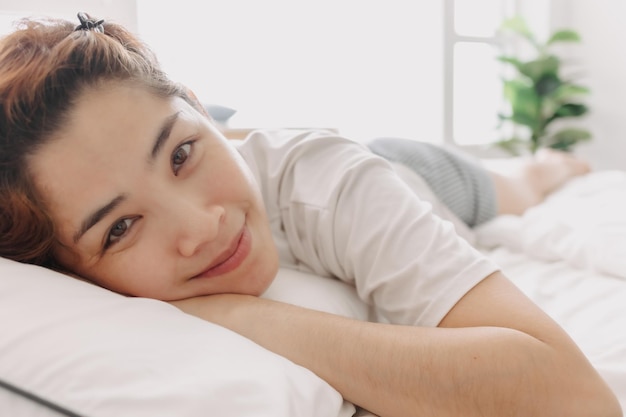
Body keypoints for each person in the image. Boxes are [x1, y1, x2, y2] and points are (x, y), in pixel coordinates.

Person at [0, 13, 620, 417]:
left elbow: (579, 399)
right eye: (120, 228)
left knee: (518, 183)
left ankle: (549, 164)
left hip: (409, 172)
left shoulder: (326, 178)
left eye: (182, 153)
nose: (201, 227)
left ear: (197, 108)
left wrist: (241, 314)